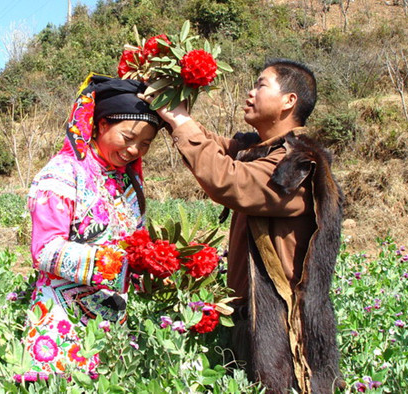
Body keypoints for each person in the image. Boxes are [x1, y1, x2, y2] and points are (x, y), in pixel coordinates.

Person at [141, 59, 345, 393]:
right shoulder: (259, 151)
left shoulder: (298, 166)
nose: (250, 92)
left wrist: (180, 118)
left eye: (261, 85)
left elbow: (229, 180)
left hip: (280, 327)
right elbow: (212, 146)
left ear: (288, 101)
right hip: (248, 317)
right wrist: (168, 104)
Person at [23, 74, 161, 381]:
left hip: (111, 323)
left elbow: (135, 244)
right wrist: (113, 264)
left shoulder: (129, 182)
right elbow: (45, 250)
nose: (135, 150)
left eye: (145, 144)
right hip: (61, 320)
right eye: (128, 138)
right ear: (100, 125)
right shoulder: (62, 174)